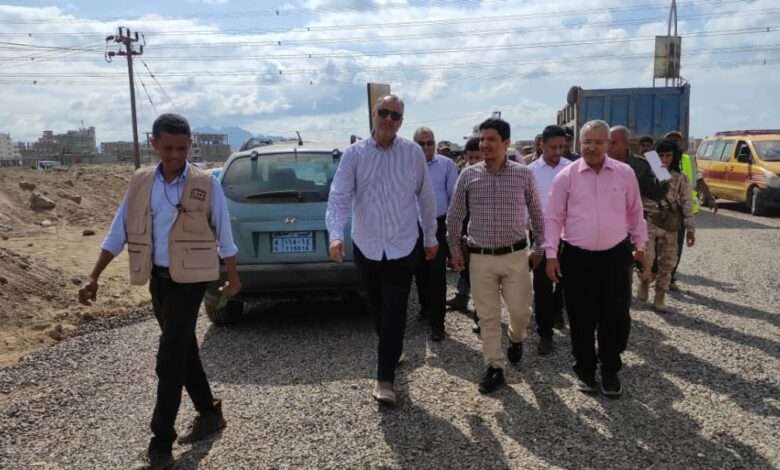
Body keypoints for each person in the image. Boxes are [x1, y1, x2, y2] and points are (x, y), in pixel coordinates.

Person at [78, 113, 240, 470]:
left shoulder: (206, 184)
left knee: (168, 360)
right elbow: (118, 231)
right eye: (168, 148)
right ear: (154, 144)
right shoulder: (141, 183)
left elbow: (224, 232)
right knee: (182, 349)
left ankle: (160, 443)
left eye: (182, 148)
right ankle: (209, 413)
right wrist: (94, 276)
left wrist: (233, 276)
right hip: (159, 279)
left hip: (191, 281)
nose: (175, 155)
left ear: (190, 144)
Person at [326, 95, 438, 406]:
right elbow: (339, 195)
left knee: (395, 309)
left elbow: (426, 197)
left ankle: (385, 379)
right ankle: (392, 346)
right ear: (374, 115)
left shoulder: (412, 153)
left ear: (401, 121)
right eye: (384, 113)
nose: (389, 119)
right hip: (368, 245)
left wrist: (430, 237)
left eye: (395, 115)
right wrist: (335, 234)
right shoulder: (354, 154)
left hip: (403, 245)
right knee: (377, 308)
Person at [545, 119, 647, 398]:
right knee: (581, 317)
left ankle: (610, 370)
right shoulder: (566, 176)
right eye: (587, 142)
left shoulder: (624, 173)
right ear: (579, 143)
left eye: (598, 142)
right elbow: (553, 218)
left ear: (608, 144)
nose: (592, 147)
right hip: (577, 257)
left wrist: (640, 245)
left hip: (615, 256)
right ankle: (585, 370)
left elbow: (635, 211)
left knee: (615, 316)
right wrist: (551, 255)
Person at [447, 118, 545, 395]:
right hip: (480, 258)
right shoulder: (468, 175)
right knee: (487, 317)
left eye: (491, 139)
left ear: (506, 142)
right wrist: (455, 250)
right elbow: (455, 216)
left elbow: (536, 213)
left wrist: (540, 247)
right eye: (482, 139)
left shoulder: (523, 174)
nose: (485, 144)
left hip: (515, 256)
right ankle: (494, 366)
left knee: (520, 311)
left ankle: (516, 337)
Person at [527, 125, 571, 356]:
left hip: (569, 235)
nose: (557, 152)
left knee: (565, 280)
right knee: (542, 284)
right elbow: (523, 204)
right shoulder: (530, 171)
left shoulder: (572, 169)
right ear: (541, 144)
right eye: (553, 147)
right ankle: (545, 334)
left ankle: (557, 310)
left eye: (562, 147)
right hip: (541, 235)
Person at [637, 140, 695, 312]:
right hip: (649, 220)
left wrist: (690, 228)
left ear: (674, 157)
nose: (664, 159)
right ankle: (645, 280)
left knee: (668, 262)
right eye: (660, 155)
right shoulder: (647, 175)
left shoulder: (680, 177)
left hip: (670, 223)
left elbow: (687, 202)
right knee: (647, 258)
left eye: (668, 155)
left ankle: (660, 295)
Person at [413, 126, 458, 341]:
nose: (426, 147)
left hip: (438, 225)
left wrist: (451, 230)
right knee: (419, 272)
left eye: (430, 142)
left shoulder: (446, 165)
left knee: (436, 275)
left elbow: (453, 197)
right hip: (411, 227)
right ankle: (425, 309)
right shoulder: (406, 166)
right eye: (421, 143)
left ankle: (437, 324)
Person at [664, 131, 716, 290]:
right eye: (671, 142)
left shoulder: (688, 160)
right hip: (660, 211)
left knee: (676, 246)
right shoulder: (655, 159)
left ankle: (669, 278)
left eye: (677, 142)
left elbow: (698, 180)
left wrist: (710, 197)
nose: (675, 145)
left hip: (680, 212)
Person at [446, 137, 482, 334]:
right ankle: (461, 298)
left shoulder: (489, 175)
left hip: (482, 234)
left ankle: (480, 315)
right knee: (464, 270)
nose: (474, 161)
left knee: (480, 277)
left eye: (478, 157)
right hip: (464, 231)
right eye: (471, 157)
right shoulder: (463, 174)